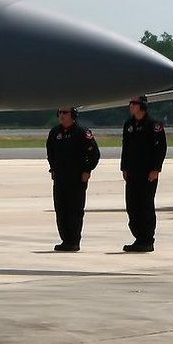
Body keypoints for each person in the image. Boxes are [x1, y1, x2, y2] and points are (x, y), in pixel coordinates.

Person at [46, 106, 100, 252]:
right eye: (60, 113)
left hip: (76, 178)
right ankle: (65, 240)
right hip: (60, 177)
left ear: (73, 115)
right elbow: (50, 151)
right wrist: (53, 168)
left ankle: (74, 241)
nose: (61, 116)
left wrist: (87, 170)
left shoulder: (82, 132)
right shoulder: (55, 132)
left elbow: (94, 154)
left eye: (65, 113)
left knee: (74, 210)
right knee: (61, 209)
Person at [120, 95, 167, 253]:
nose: (131, 106)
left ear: (142, 106)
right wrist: (124, 167)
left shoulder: (154, 125)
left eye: (134, 103)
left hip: (148, 173)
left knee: (145, 205)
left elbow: (161, 148)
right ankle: (138, 237)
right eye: (130, 103)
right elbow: (125, 148)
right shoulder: (129, 124)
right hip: (132, 172)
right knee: (132, 206)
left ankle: (147, 239)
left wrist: (156, 169)